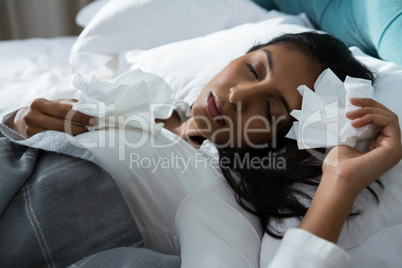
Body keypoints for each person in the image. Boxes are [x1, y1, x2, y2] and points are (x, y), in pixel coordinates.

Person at [2, 32, 401, 267]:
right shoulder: (146, 101)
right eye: (252, 69)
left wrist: (339, 181)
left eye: (267, 108)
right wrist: (22, 119)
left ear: (278, 141)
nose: (237, 95)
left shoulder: (211, 197)